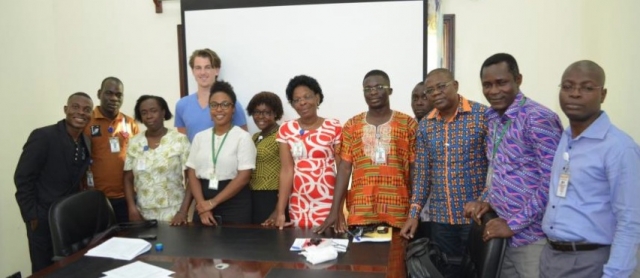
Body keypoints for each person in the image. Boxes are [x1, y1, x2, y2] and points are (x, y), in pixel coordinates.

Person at [462, 53, 563, 278]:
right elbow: (498, 168)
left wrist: (514, 224)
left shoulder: (538, 118)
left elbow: (554, 182)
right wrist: (486, 200)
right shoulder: (493, 118)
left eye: (502, 83)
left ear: (518, 79)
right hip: (501, 232)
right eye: (487, 85)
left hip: (532, 238)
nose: (494, 91)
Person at [540, 61, 640, 278]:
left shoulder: (619, 148)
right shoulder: (566, 138)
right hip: (551, 257)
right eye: (567, 87)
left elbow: (631, 221)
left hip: (590, 262)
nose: (575, 94)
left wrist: (615, 275)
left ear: (602, 95)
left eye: (586, 88)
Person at [400, 68, 487, 277]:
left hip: (476, 218)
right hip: (441, 219)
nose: (436, 93)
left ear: (455, 86)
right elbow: (422, 174)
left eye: (441, 87)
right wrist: (414, 214)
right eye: (430, 90)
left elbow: (495, 167)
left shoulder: (482, 116)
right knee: (445, 271)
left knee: (478, 271)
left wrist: (485, 199)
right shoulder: (426, 126)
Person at [315, 70, 417, 233]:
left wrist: (415, 211)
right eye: (367, 89)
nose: (373, 92)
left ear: (390, 90)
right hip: (361, 211)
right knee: (361, 257)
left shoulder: (408, 124)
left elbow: (414, 171)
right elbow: (344, 169)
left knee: (396, 258)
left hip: (399, 212)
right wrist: (335, 210)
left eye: (379, 87)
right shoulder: (352, 125)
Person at [15, 92, 93, 272]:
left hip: (69, 218)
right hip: (42, 219)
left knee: (68, 268)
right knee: (44, 269)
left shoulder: (86, 142)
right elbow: (22, 177)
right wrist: (32, 215)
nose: (81, 112)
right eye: (75, 107)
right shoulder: (43, 136)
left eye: (87, 110)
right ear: (66, 110)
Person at [264, 75, 342, 229]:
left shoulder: (334, 126)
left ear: (317, 97)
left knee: (328, 246)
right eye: (296, 100)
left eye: (307, 96)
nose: (302, 102)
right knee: (299, 245)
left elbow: (342, 170)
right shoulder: (286, 129)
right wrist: (280, 211)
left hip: (328, 200)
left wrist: (339, 210)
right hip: (299, 201)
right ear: (293, 105)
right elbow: (286, 170)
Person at [186, 80, 256, 225]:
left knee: (233, 246)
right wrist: (203, 205)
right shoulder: (200, 137)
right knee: (201, 246)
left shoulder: (242, 137)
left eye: (225, 104)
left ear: (233, 109)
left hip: (234, 204)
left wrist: (213, 202)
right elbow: (191, 172)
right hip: (203, 202)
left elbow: (244, 176)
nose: (219, 109)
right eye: (214, 105)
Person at [123, 95, 192, 225]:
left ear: (163, 112)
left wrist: (183, 211)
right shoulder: (134, 142)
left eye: (153, 111)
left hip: (174, 212)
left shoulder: (180, 140)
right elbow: (127, 178)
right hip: (142, 213)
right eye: (144, 113)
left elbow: (192, 179)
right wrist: (132, 208)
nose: (149, 116)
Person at [85, 77, 139, 223]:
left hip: (127, 198)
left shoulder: (130, 123)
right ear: (99, 94)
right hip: (96, 198)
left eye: (118, 95)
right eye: (109, 93)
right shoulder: (86, 121)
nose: (114, 98)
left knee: (128, 241)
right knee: (100, 242)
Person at [175, 48, 247, 142]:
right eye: (198, 68)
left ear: (217, 70)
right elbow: (182, 144)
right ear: (193, 71)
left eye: (208, 67)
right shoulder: (182, 105)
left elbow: (244, 139)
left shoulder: (231, 104)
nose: (203, 72)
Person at [245, 91, 289, 224]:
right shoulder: (254, 137)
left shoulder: (282, 135)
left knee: (271, 240)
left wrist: (278, 208)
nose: (260, 116)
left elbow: (288, 170)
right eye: (256, 112)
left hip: (272, 196)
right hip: (252, 195)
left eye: (266, 112)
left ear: (276, 113)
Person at [410, 80, 434, 239]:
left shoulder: (441, 128)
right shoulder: (407, 127)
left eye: (424, 97)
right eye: (415, 98)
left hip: (436, 206)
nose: (419, 102)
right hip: (411, 206)